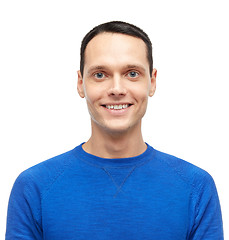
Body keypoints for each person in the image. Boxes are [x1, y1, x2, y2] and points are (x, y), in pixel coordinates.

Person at [5, 21, 224, 240]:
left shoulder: (195, 187)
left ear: (152, 81)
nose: (117, 89)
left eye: (132, 73)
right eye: (100, 74)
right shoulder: (34, 187)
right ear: (81, 83)